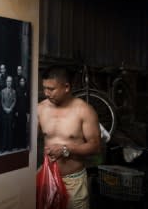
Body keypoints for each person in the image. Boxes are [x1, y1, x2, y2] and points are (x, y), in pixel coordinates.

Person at [38, 66, 100, 209]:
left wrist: (66, 149)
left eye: (51, 89)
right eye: (44, 88)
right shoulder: (40, 109)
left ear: (66, 87)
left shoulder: (84, 111)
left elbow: (95, 146)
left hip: (73, 182)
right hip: (47, 177)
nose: (46, 93)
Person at [0, 76, 16, 151]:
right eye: (7, 81)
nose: (8, 83)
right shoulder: (3, 91)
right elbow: (2, 101)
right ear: (6, 82)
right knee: (4, 130)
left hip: (10, 113)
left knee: (10, 130)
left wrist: (10, 109)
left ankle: (10, 147)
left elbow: (14, 101)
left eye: (10, 81)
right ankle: (3, 146)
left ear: (11, 83)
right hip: (4, 113)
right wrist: (5, 108)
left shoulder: (13, 91)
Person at [14, 76, 29, 149]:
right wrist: (16, 111)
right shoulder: (17, 90)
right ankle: (18, 145)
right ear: (19, 82)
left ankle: (23, 144)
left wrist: (28, 113)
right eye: (21, 81)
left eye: (23, 81)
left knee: (24, 128)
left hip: (24, 112)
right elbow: (16, 101)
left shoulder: (27, 90)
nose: (22, 82)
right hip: (18, 112)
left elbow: (28, 102)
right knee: (18, 128)